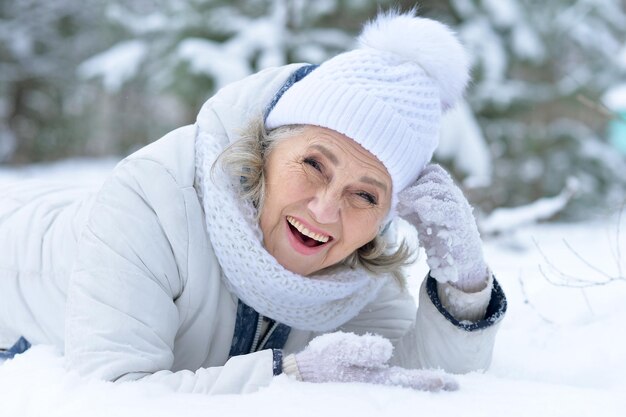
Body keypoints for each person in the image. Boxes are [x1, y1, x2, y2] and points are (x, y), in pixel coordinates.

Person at [0, 11, 506, 393]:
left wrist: (465, 287)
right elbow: (113, 395)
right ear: (264, 146)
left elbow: (419, 384)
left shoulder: (357, 276)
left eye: (365, 194)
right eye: (314, 164)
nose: (326, 210)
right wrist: (287, 376)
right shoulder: (151, 202)